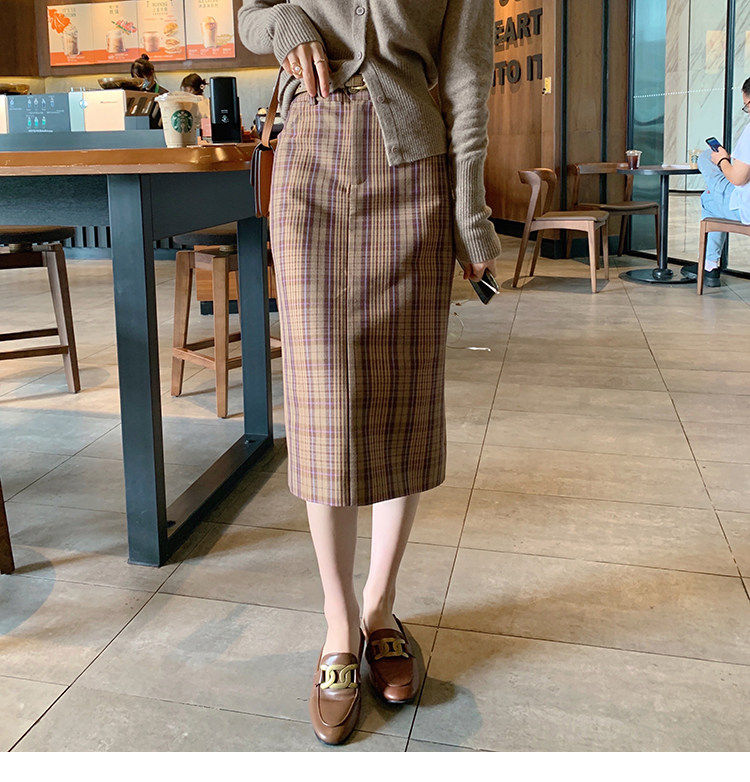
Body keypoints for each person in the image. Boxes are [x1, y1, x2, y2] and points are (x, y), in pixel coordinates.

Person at [238, 0, 501, 745]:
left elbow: (465, 80)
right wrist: (286, 24)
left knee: (400, 396)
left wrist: (470, 214)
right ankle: (338, 620)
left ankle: (380, 606)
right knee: (324, 404)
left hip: (411, 169)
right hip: (309, 167)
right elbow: (249, 17)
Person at [684, 76, 750, 286]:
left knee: (706, 163)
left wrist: (722, 160)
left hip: (745, 207)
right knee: (712, 197)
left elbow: (738, 178)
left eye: (746, 107)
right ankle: (709, 266)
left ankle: (709, 266)